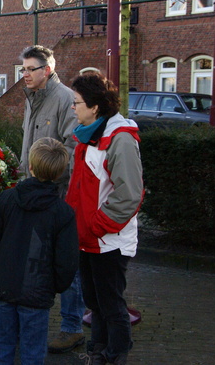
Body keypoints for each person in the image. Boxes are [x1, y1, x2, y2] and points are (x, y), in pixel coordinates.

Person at [0, 137, 79, 365]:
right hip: (37, 294)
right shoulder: (63, 213)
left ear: (30, 166)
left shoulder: (6, 199)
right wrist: (53, 287)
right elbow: (67, 261)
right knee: (32, 355)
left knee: (0, 351)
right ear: (60, 172)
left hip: (3, 288)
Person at [66, 72, 144, 365]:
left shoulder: (119, 139)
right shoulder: (90, 134)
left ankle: (116, 355)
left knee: (111, 304)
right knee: (94, 302)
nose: (73, 108)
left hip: (107, 240)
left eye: (77, 103)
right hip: (88, 237)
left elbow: (130, 194)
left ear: (95, 107)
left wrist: (97, 228)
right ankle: (97, 350)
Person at [18, 45, 86, 353]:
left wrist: (46, 179)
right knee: (35, 261)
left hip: (56, 196)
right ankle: (35, 322)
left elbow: (72, 150)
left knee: (66, 262)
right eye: (23, 69)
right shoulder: (32, 99)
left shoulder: (64, 99)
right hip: (32, 192)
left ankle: (72, 326)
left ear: (47, 70)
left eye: (30, 69)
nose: (24, 75)